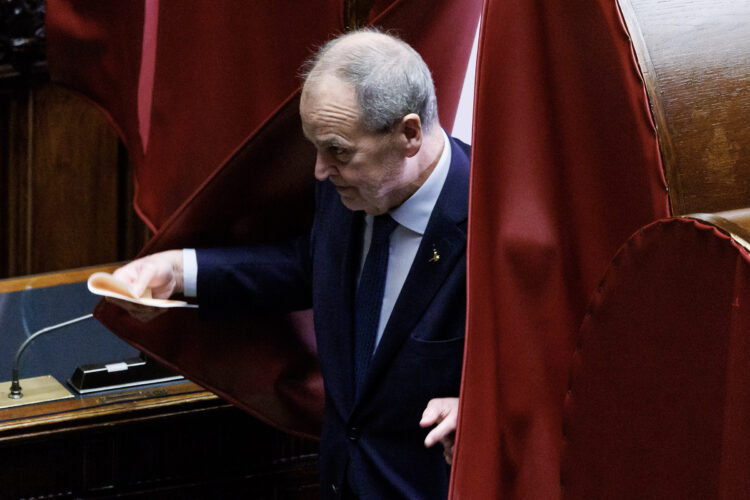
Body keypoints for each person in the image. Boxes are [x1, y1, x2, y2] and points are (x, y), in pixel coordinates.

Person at [114, 28, 465, 499]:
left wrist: (480, 410)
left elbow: (551, 365)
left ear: (409, 134)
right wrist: (180, 272)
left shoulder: (493, 219)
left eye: (337, 150)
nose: (319, 170)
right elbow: (311, 267)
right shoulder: (347, 185)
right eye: (316, 148)